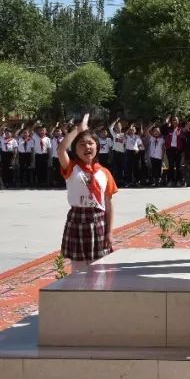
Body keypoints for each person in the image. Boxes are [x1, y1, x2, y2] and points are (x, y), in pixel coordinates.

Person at [57, 114, 118, 273]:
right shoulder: (71, 168)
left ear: (97, 147)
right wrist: (78, 129)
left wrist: (110, 232)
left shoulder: (105, 173)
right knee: (78, 270)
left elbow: (109, 205)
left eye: (90, 143)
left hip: (98, 221)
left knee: (99, 268)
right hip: (77, 219)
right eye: (82, 144)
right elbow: (61, 148)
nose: (87, 147)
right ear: (75, 149)